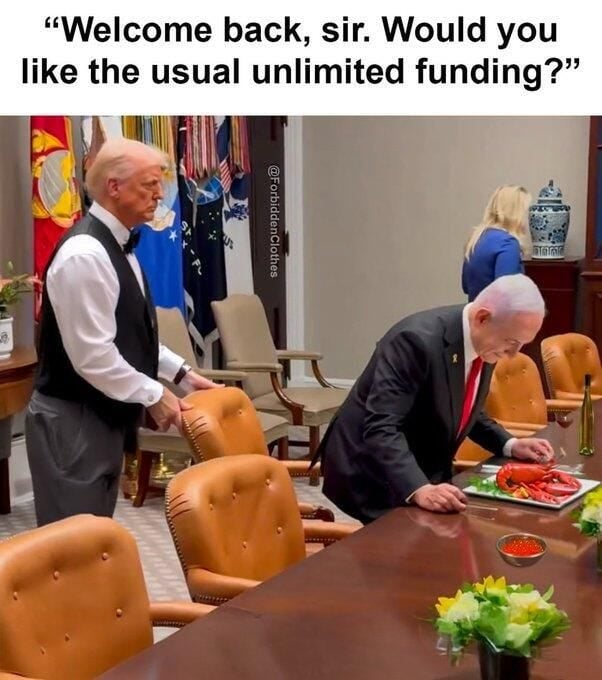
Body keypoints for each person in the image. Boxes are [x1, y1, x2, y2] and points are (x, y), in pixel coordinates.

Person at [26, 138, 221, 527]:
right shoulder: (85, 254)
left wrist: (182, 374)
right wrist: (154, 394)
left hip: (101, 415)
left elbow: (131, 332)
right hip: (73, 421)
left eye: (161, 183)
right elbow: (93, 355)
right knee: (73, 541)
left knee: (97, 535)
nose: (160, 194)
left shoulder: (117, 245)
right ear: (114, 186)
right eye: (150, 184)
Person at [314, 274, 554, 525]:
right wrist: (418, 488)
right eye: (511, 342)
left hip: (423, 464)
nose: (513, 354)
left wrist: (509, 444)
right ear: (482, 318)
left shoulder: (488, 341)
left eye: (521, 344)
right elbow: (382, 426)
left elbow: (465, 407)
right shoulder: (415, 341)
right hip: (372, 472)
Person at [462, 185, 531, 301]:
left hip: (475, 310)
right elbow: (506, 294)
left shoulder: (475, 239)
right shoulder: (508, 243)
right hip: (497, 312)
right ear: (516, 213)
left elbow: (465, 286)